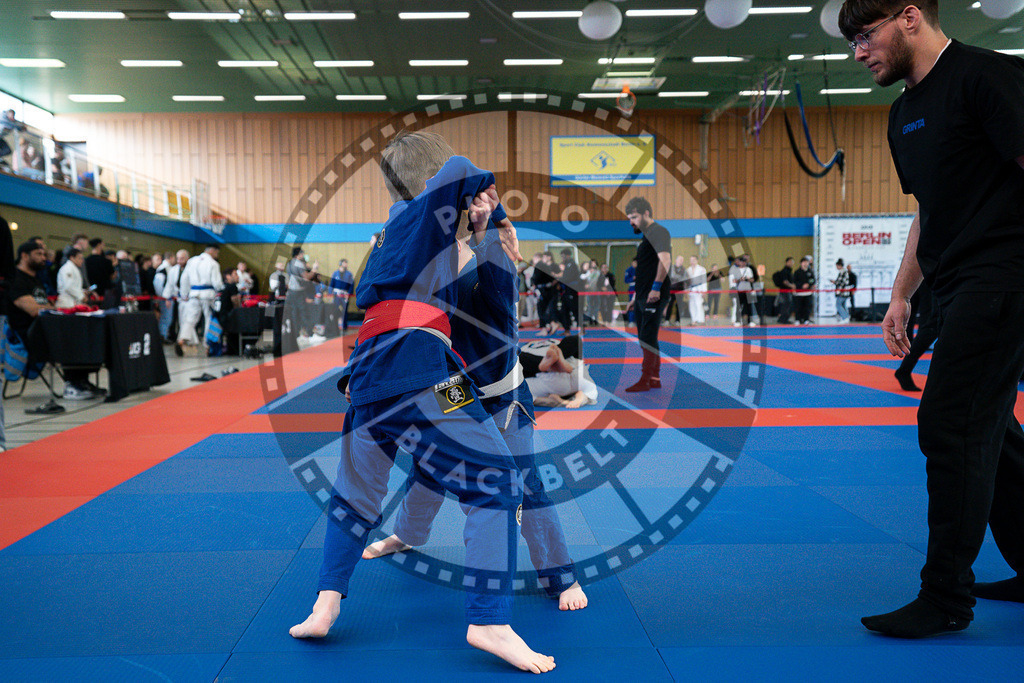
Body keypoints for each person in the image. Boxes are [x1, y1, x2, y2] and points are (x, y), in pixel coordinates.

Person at [289, 131, 555, 673]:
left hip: (369, 376)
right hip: (420, 373)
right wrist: (499, 216)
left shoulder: (397, 231)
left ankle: (325, 604)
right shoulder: (421, 212)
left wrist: (478, 228)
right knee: (499, 481)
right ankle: (489, 622)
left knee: (356, 492)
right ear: (433, 182)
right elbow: (460, 166)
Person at [841, 0, 1024, 637]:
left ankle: (946, 597)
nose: (858, 52)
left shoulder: (987, 77)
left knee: (950, 422)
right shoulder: (904, 113)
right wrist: (900, 295)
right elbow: (929, 211)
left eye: (865, 35)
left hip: (1005, 275)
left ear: (910, 16)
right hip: (952, 284)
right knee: (991, 426)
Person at [362, 215, 586, 612]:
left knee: (524, 481)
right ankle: (408, 533)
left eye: (463, 245)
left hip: (503, 399)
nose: (456, 250)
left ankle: (560, 575)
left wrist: (494, 235)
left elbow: (498, 268)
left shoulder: (488, 276)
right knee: (429, 465)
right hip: (454, 392)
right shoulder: (426, 281)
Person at [6, 240, 99, 399]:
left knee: (83, 331)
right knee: (70, 336)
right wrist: (53, 309)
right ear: (24, 256)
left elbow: (46, 305)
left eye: (44, 254)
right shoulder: (16, 280)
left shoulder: (35, 279)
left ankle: (81, 380)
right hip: (28, 333)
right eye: (39, 254)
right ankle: (71, 385)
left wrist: (53, 309)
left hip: (45, 327)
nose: (44, 257)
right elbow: (34, 310)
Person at [623, 197, 671, 392]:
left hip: (654, 294)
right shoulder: (646, 236)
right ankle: (655, 377)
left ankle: (645, 378)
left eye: (634, 217)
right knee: (647, 337)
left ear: (646, 214)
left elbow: (665, 260)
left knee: (647, 337)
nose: (631, 222)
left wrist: (656, 287)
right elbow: (644, 271)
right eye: (629, 218)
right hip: (644, 294)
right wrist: (635, 298)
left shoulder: (659, 231)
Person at [519, 336, 598, 408]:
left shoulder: (525, 348)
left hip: (550, 381)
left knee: (517, 359)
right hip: (577, 376)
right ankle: (582, 394)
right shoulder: (554, 342)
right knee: (575, 340)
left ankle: (547, 366)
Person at [176, 245, 222, 355]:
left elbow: (184, 279)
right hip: (208, 294)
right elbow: (217, 283)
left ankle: (182, 339)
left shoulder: (192, 261)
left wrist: (184, 294)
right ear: (211, 251)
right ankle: (208, 345)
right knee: (209, 319)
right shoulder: (213, 263)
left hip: (193, 293)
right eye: (216, 253)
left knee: (190, 318)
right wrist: (220, 292)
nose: (217, 255)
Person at [160, 249, 189, 343]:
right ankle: (182, 339)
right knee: (180, 320)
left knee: (189, 320)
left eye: (182, 259)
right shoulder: (174, 270)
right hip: (179, 298)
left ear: (187, 258)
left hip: (191, 299)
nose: (180, 261)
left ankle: (186, 339)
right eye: (178, 259)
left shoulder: (192, 269)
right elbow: (169, 284)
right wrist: (167, 298)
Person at [329, 258, 355, 334]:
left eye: (346, 263)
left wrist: (349, 293)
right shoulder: (335, 273)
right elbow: (331, 284)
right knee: (335, 311)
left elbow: (351, 285)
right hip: (336, 295)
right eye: (344, 263)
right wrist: (330, 293)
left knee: (344, 311)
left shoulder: (349, 274)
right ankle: (335, 327)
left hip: (345, 295)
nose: (346, 265)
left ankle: (344, 326)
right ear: (341, 264)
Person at [685, 255, 707, 325]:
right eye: (691, 260)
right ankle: (693, 320)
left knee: (698, 304)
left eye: (693, 260)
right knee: (692, 305)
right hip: (691, 290)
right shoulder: (688, 270)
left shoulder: (701, 269)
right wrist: (686, 290)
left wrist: (704, 291)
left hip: (699, 289)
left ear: (697, 261)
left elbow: (704, 280)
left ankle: (700, 320)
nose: (692, 262)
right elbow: (687, 281)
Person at [792, 257, 815, 325]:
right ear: (801, 263)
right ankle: (798, 319)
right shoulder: (797, 272)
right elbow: (795, 281)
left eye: (807, 262)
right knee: (798, 307)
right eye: (804, 262)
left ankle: (806, 319)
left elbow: (813, 280)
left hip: (808, 293)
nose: (805, 264)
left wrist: (809, 284)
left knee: (807, 307)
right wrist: (801, 285)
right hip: (799, 293)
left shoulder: (810, 271)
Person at [773, 257, 795, 324]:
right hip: (785, 291)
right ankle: (783, 319)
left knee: (787, 304)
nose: (791, 263)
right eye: (790, 262)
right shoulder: (785, 271)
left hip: (788, 291)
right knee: (786, 304)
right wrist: (792, 286)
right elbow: (785, 281)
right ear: (787, 262)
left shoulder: (789, 271)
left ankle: (784, 318)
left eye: (792, 262)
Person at [831, 258, 851, 323]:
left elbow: (842, 282)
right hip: (844, 291)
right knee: (843, 305)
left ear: (839, 265)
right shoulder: (843, 272)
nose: (836, 267)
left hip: (842, 292)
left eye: (837, 266)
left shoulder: (843, 272)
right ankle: (846, 317)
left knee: (838, 304)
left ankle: (845, 318)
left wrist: (835, 282)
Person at [623, 258, 637, 324]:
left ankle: (637, 320)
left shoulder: (640, 269)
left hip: (640, 288)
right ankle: (631, 320)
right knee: (631, 303)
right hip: (632, 288)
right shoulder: (629, 270)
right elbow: (626, 280)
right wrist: (632, 278)